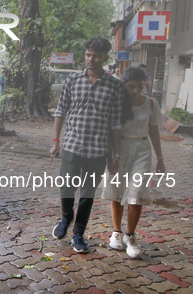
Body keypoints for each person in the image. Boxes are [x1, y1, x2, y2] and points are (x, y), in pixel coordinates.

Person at [50, 37, 123, 253]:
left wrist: (116, 153)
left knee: (87, 193)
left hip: (98, 150)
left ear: (105, 58)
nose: (91, 59)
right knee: (66, 187)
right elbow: (60, 111)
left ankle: (78, 234)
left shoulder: (114, 86)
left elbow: (116, 123)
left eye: (96, 56)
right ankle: (66, 218)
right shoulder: (73, 81)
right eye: (88, 55)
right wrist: (56, 141)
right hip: (72, 145)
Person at [102, 66, 164, 259]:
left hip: (142, 151)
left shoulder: (151, 104)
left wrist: (160, 158)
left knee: (137, 193)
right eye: (131, 86)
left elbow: (154, 131)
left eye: (140, 86)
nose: (136, 91)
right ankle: (116, 233)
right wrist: (111, 155)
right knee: (118, 191)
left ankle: (130, 235)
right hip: (119, 151)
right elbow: (110, 131)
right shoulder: (117, 103)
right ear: (124, 85)